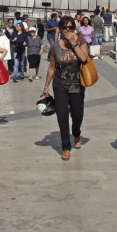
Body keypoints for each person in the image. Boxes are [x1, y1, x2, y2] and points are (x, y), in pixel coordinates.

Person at [42, 16, 89, 161]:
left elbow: (84, 59)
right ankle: (66, 147)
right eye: (64, 27)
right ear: (60, 29)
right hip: (60, 86)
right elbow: (51, 68)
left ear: (74, 28)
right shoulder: (56, 46)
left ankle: (76, 133)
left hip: (77, 86)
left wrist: (74, 43)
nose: (67, 30)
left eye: (70, 27)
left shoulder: (81, 41)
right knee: (62, 116)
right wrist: (46, 86)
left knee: (77, 115)